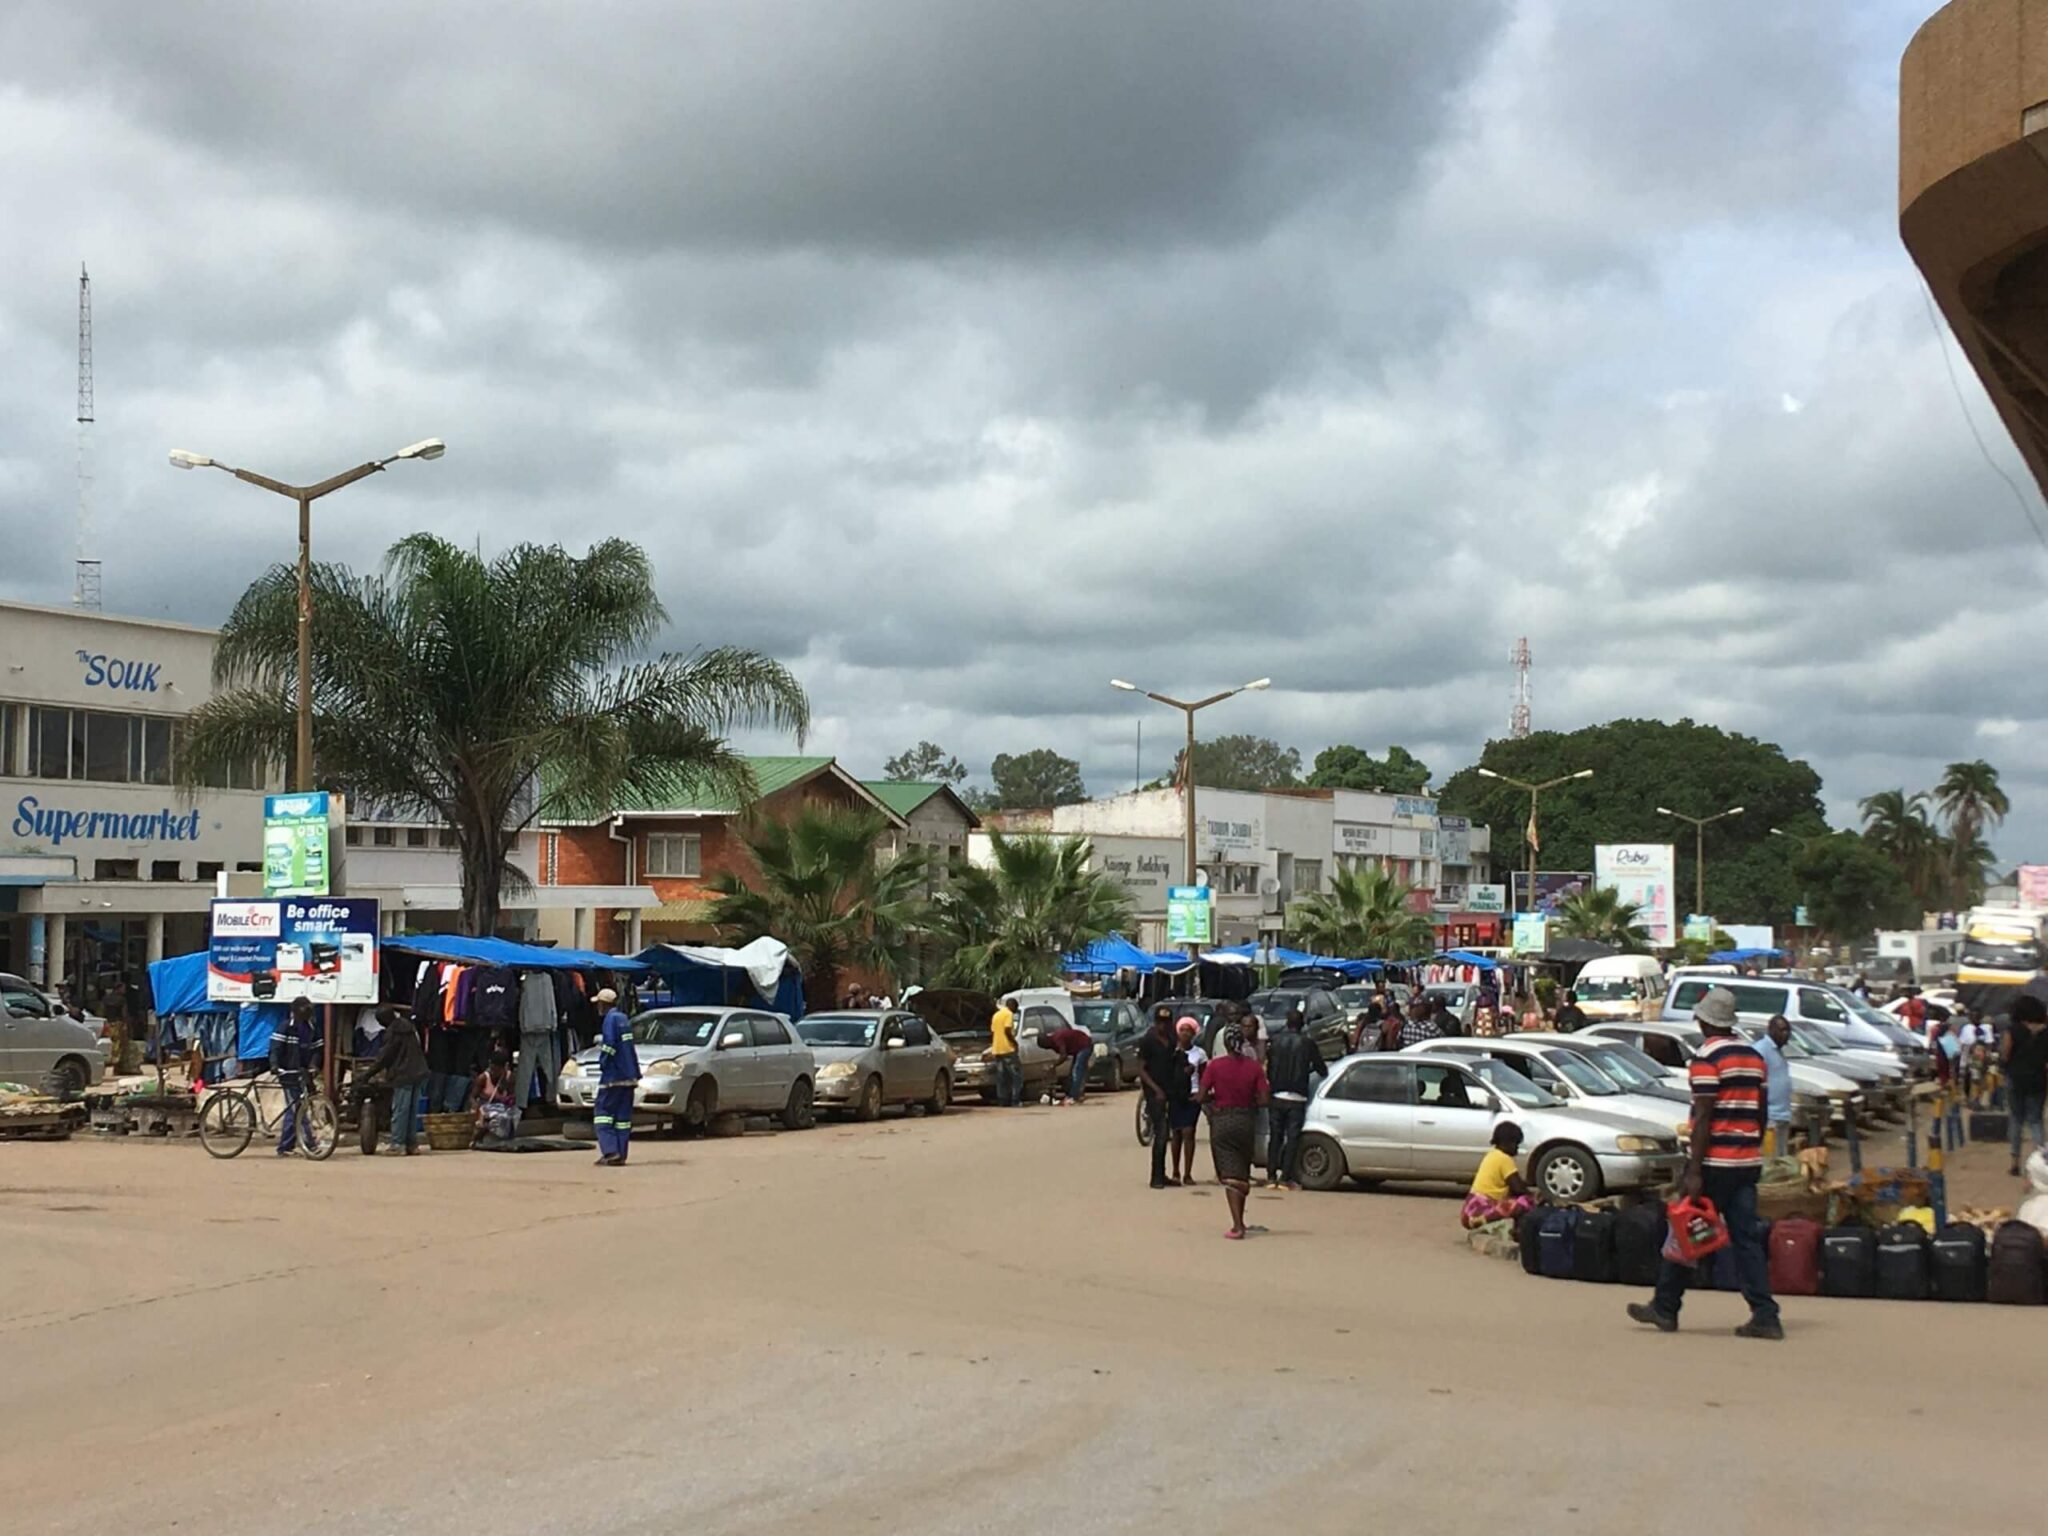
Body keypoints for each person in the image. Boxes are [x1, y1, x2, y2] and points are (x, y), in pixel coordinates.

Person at [1628, 986, 1781, 1340]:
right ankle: (1765, 1313)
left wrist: (1693, 1170)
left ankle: (1666, 1307)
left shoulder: (1707, 1058)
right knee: (1746, 1241)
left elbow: (1704, 1116)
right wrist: (1752, 1146)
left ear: (1704, 1020)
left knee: (1683, 1231)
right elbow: (1760, 1110)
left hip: (1714, 1163)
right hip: (1746, 1161)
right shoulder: (1754, 1058)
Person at [1199, 1025, 1270, 1239]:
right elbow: (1264, 1099)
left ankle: (1237, 1225)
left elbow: (1202, 1096)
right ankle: (1241, 1220)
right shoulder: (1254, 1067)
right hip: (1246, 1121)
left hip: (1222, 1121)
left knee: (1230, 1175)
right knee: (1241, 1170)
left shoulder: (1215, 1066)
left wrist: (1216, 1098)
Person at [1264, 1004, 1328, 1188]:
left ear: (1287, 1023)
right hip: (1297, 1097)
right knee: (1292, 1138)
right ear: (1302, 1024)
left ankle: (1270, 1176)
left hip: (1276, 1095)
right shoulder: (1307, 1043)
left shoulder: (1275, 1041)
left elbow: (1269, 1067)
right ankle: (1286, 1177)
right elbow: (1321, 1069)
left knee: (1275, 1137)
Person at [358, 1004, 428, 1155]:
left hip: (403, 1074)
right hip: (418, 1071)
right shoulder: (408, 1026)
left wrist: (367, 1075)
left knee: (400, 1110)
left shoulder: (393, 1032)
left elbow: (384, 1057)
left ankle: (398, 1144)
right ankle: (411, 1144)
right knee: (411, 1110)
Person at [1136, 1005, 1183, 1189]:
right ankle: (1156, 1176)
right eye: (1160, 1022)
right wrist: (1156, 1090)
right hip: (1154, 1091)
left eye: (1167, 1022)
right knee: (1161, 1132)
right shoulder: (1148, 1040)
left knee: (1168, 1132)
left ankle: (1163, 1174)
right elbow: (1141, 1069)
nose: (1163, 1026)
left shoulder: (1171, 1039)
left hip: (1170, 1089)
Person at [270, 997, 324, 1157]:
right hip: (288, 1074)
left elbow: (318, 1049)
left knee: (295, 1110)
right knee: (297, 1110)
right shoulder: (285, 1027)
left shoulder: (312, 1028)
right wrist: (275, 1066)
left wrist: (314, 1065)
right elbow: (275, 1048)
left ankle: (285, 1146)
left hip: (303, 1074)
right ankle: (310, 1145)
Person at [2002, 994, 2048, 1177]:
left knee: (2016, 1119)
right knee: (2036, 1120)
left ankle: (2015, 1162)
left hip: (2016, 1078)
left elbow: (2005, 1053)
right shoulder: (2046, 1032)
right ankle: (2041, 1162)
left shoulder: (2012, 1030)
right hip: (2038, 1079)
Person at [591, 987, 638, 1167]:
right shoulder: (623, 1018)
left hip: (613, 1077)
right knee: (622, 1119)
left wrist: (603, 1063)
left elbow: (609, 1045)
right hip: (629, 1076)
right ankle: (621, 1153)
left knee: (603, 1115)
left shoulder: (610, 1020)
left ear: (603, 1004)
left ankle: (611, 1152)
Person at [1461, 1122, 1535, 1229]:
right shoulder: (1505, 1159)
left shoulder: (1492, 1155)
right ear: (1508, 1143)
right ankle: (1519, 1231)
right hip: (1481, 1210)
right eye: (1516, 1144)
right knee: (1526, 1202)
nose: (1517, 1148)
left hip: (1469, 1210)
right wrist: (1535, 1197)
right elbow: (1518, 1188)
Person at [1170, 1017, 1207, 1185]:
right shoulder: (1172, 1052)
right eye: (1182, 1030)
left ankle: (1188, 1173)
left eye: (1189, 1030)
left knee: (1188, 1132)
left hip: (1192, 1095)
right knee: (1176, 1133)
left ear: (1194, 1033)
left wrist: (1201, 1094)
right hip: (1176, 1096)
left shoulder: (1199, 1054)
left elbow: (1205, 1077)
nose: (1185, 1033)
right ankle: (1175, 1170)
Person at [1756, 1014, 1795, 1155]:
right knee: (1770, 1161)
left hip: (1783, 1114)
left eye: (1788, 1031)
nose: (1786, 1034)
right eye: (1782, 1030)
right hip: (1769, 1117)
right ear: (1771, 1030)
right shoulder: (1761, 1050)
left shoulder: (1778, 1051)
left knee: (1781, 1158)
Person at [1043, 1017, 1094, 1105]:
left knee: (1077, 1071)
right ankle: (1076, 1093)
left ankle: (1073, 1096)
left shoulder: (1057, 1039)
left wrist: (1054, 1065)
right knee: (1074, 1072)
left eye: (1045, 1046)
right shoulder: (1054, 1042)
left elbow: (1064, 1055)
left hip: (1085, 1046)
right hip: (1078, 1049)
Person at [473, 1047, 517, 1144]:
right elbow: (472, 1097)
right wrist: (475, 1106)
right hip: (485, 1107)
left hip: (503, 1107)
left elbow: (512, 1096)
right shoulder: (483, 1078)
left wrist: (508, 1098)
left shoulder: (510, 1077)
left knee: (511, 1115)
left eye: (497, 1070)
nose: (494, 1072)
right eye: (492, 1068)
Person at [989, 995, 1023, 1108]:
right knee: (1016, 1075)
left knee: (1001, 1076)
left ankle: (1002, 1100)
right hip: (1008, 1049)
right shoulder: (1008, 1014)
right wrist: (1014, 1042)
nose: (1015, 1010)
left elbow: (993, 1032)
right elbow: (1007, 1030)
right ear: (1011, 1005)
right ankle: (1015, 1100)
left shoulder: (996, 1015)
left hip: (997, 1049)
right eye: (1015, 1007)